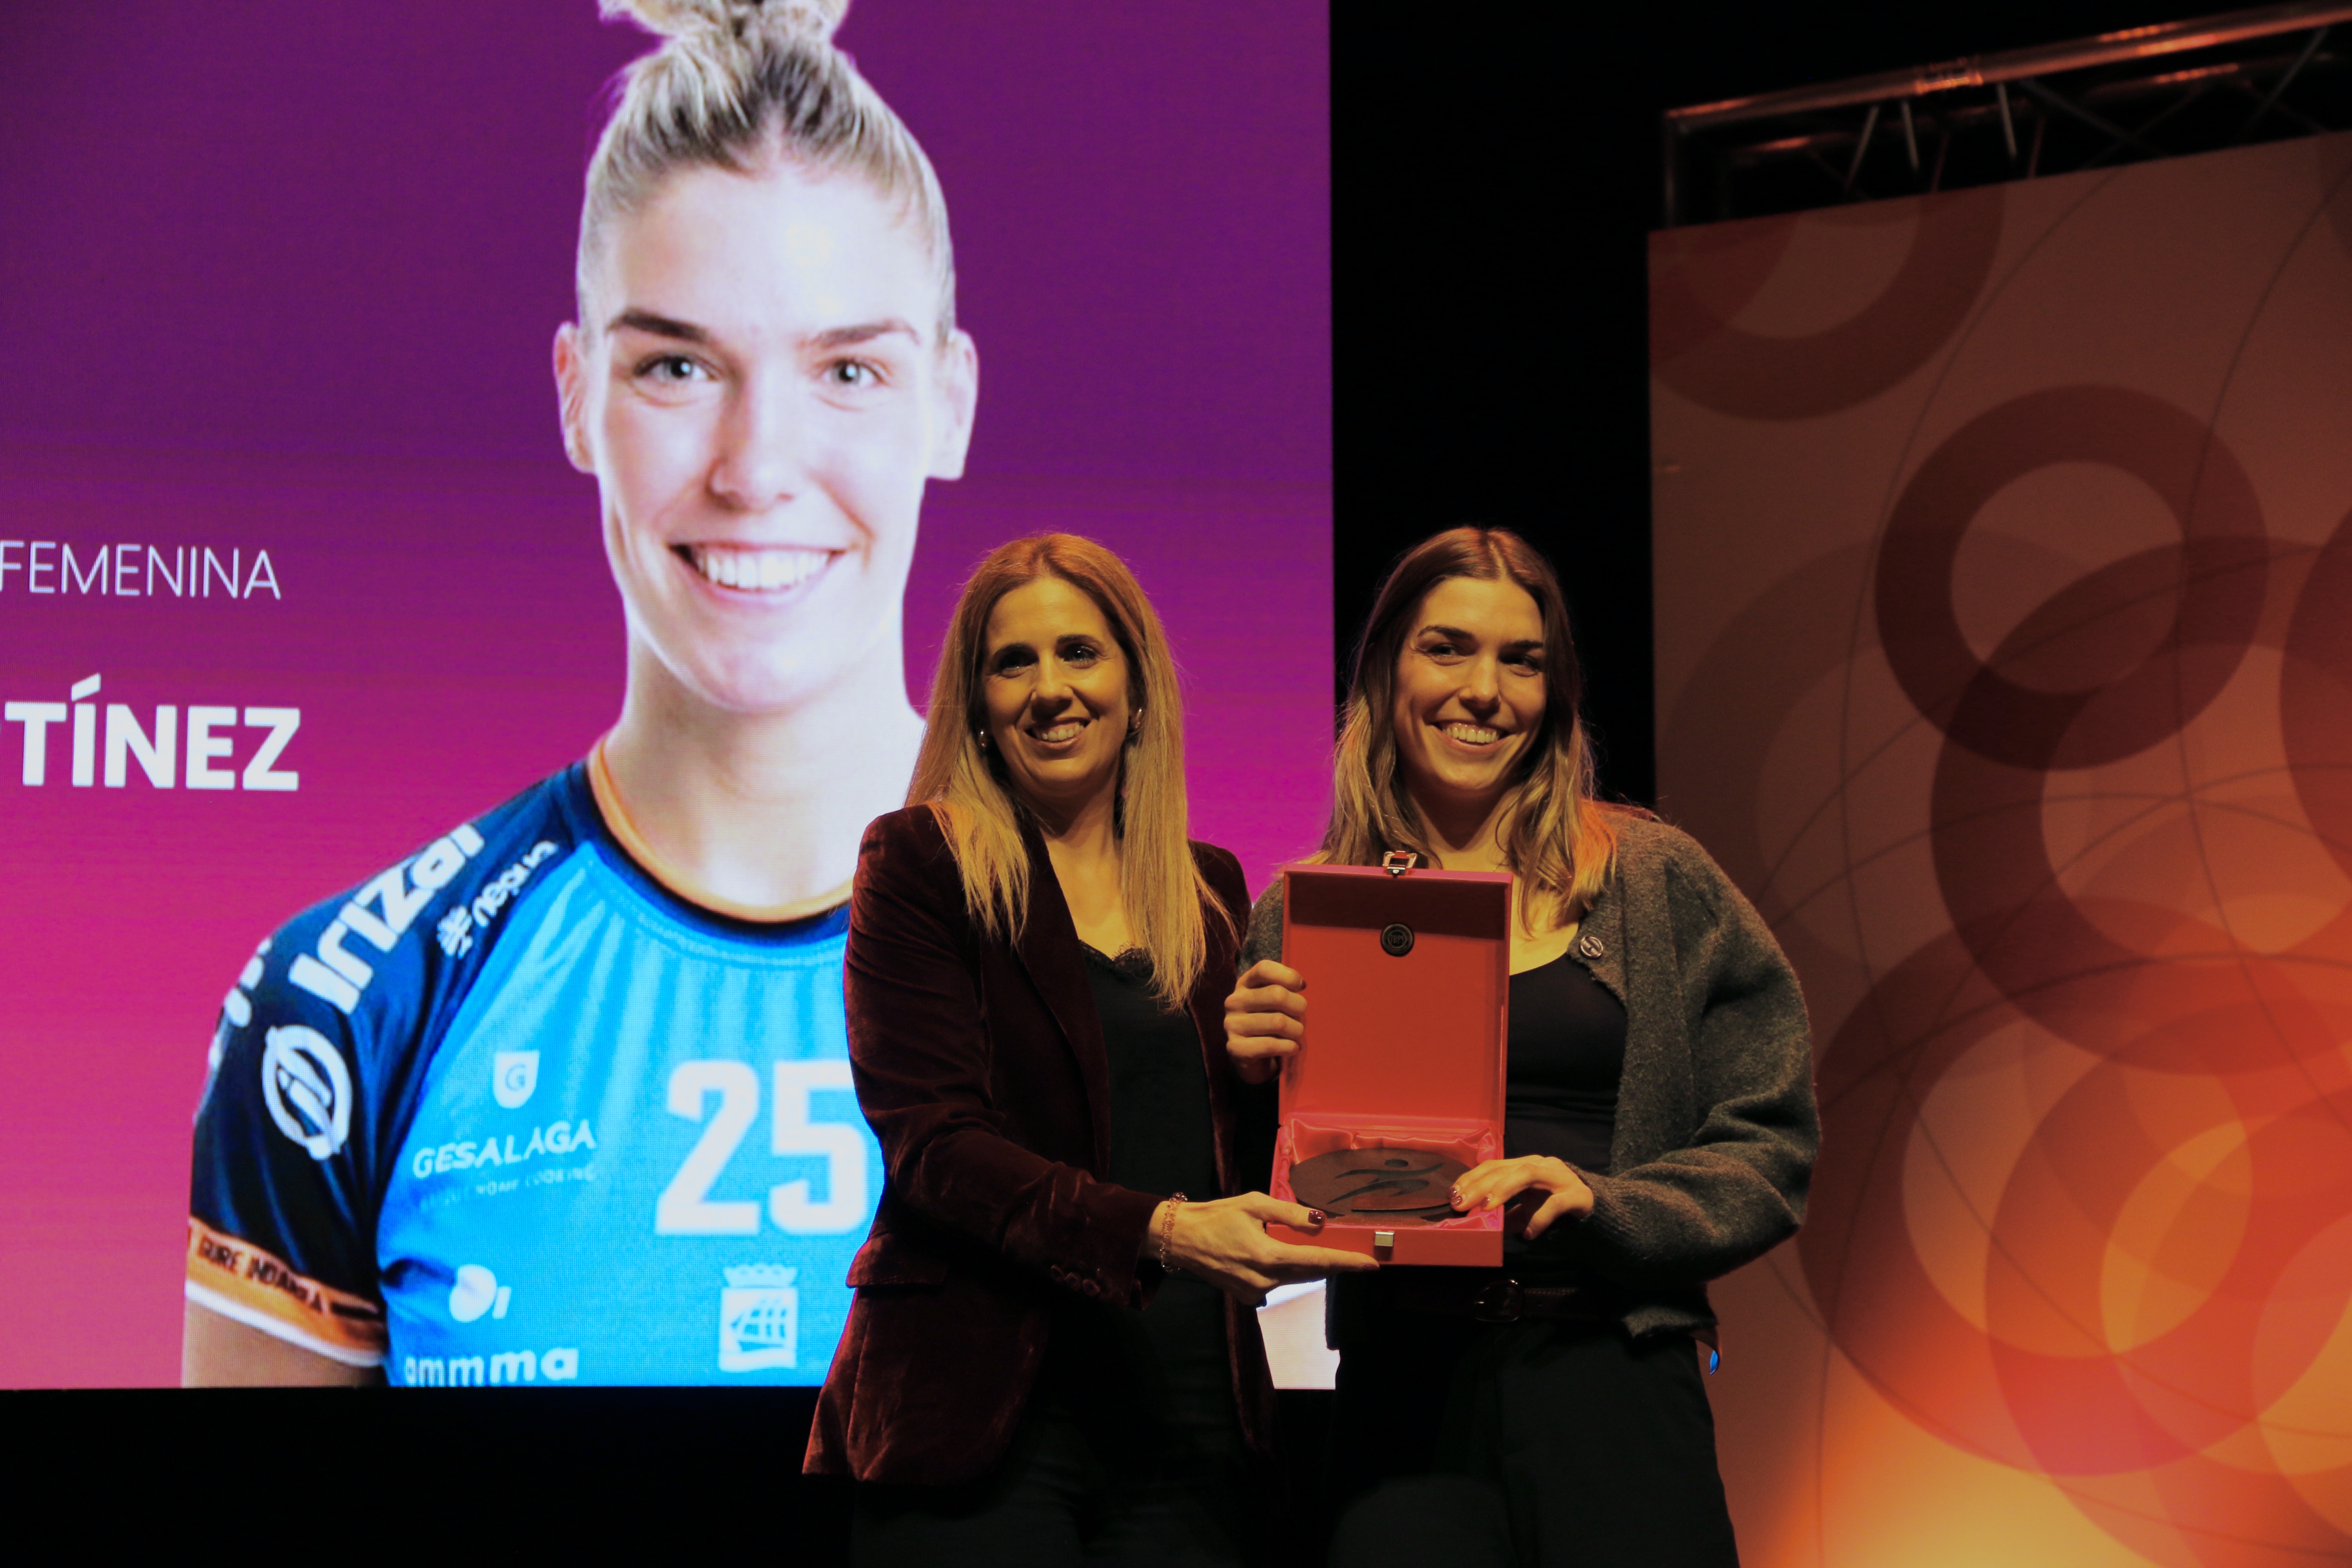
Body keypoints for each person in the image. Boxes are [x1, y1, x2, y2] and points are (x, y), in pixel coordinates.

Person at [183, 0, 978, 1385]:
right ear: (573, 394)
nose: (756, 467)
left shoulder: (1168, 975)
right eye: (677, 366)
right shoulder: (351, 1011)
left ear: (949, 405)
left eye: (849, 370)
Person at [1223, 527, 1818, 1566]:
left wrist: (1609, 1204)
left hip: (1612, 1380)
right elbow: (1244, 1203)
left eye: (1522, 660)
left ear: (1557, 691)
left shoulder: (1651, 878)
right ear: (1385, 671)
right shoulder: (1303, 913)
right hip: (1403, 1396)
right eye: (1447, 648)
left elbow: (1772, 1142)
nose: (1484, 691)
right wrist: (1243, 1083)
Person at [807, 533, 1374, 1565]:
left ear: (1138, 688)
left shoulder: (1211, 890)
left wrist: (1266, 1081)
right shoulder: (920, 863)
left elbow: (1225, 1167)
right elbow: (934, 1149)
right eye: (1012, 663)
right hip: (982, 1416)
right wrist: (1162, 1232)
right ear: (977, 706)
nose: (1049, 690)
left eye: (1079, 652)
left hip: (1190, 1417)